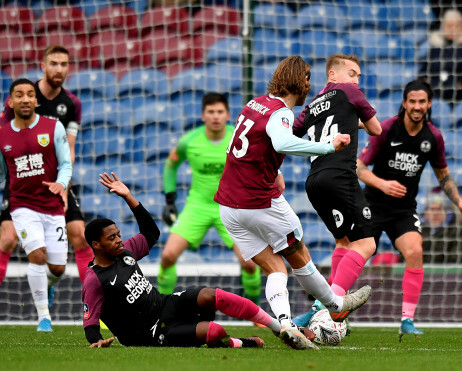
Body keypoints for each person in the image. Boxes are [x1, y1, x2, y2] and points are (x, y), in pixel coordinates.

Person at [214, 55, 372, 350]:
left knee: (276, 269)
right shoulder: (282, 113)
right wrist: (329, 146)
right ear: (299, 81)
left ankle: (287, 325)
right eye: (308, 80)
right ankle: (335, 304)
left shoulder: (254, 103)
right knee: (300, 256)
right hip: (257, 203)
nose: (310, 87)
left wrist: (275, 170)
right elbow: (282, 142)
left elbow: (244, 147)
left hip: (228, 207)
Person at [83, 172, 293, 349]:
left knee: (211, 295)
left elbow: (151, 232)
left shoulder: (125, 252)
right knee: (214, 331)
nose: (119, 240)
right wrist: (97, 341)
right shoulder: (95, 279)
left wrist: (129, 197)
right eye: (112, 238)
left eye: (118, 234)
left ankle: (278, 327)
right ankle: (237, 343)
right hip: (148, 333)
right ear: (96, 245)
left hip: (164, 305)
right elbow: (90, 323)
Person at [0, 45, 93, 330]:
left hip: (54, 180)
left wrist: (63, 184)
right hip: (20, 180)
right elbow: (1, 140)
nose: (59, 69)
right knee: (7, 239)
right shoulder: (22, 96)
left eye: (64, 64)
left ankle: (91, 308)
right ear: (43, 66)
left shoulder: (72, 104)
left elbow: (70, 149)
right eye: (54, 63)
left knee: (80, 235)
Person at [356, 79, 462, 341]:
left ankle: (407, 320)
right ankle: (323, 309)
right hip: (374, 206)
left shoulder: (433, 137)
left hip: (403, 210)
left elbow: (443, 175)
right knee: (355, 255)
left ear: (429, 104)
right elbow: (359, 168)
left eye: (422, 101)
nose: (417, 106)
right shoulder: (387, 128)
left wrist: (460, 203)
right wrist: (382, 184)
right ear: (404, 103)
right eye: (412, 101)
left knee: (415, 251)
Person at [0, 78, 73, 332]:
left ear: (36, 100)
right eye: (19, 95)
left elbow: (66, 164)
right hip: (22, 206)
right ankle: (44, 317)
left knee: (58, 267)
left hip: (52, 206)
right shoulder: (1, 135)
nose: (25, 99)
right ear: (10, 102)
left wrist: (61, 183)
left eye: (30, 94)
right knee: (37, 256)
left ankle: (48, 285)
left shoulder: (54, 128)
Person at [290, 54, 382, 327]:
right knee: (367, 243)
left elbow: (292, 134)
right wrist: (358, 120)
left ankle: (323, 310)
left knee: (343, 241)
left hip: (314, 181)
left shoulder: (313, 103)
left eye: (358, 76)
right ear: (333, 75)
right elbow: (376, 129)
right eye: (352, 73)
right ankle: (328, 307)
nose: (356, 80)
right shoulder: (350, 92)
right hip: (340, 175)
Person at [158, 93, 261, 304]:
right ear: (203, 115)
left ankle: (255, 310)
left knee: (250, 263)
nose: (215, 116)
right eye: (211, 112)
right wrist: (170, 199)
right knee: (168, 256)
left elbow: (257, 165)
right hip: (197, 207)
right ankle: (160, 307)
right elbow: (171, 165)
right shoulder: (189, 141)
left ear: (227, 115)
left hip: (231, 208)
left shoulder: (238, 138)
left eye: (220, 112)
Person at [419, 9, 462, 104]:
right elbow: (424, 71)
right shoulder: (435, 47)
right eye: (449, 26)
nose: (453, 29)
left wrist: (461, 84)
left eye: (457, 26)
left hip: (460, 97)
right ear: (443, 27)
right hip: (434, 95)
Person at [421, 191, 462, 264]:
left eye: (439, 209)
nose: (435, 214)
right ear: (425, 213)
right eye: (432, 209)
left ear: (447, 212)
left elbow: (456, 260)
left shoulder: (459, 231)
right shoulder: (417, 231)